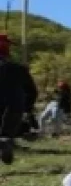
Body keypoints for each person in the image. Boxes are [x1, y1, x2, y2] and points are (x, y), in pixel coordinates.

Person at [0, 34, 37, 165]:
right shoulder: (19, 69)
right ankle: (5, 141)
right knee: (6, 133)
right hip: (15, 105)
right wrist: (27, 108)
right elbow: (32, 91)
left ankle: (4, 143)